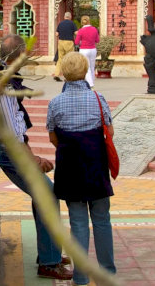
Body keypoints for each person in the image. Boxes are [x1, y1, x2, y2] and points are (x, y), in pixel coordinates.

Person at [0, 34, 73, 280]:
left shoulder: (3, 75)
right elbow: (11, 132)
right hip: (6, 149)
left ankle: (49, 253)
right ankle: (49, 262)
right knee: (47, 195)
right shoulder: (3, 82)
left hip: (9, 147)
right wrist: (33, 160)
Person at [46, 52, 116, 286]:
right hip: (95, 165)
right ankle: (107, 272)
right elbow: (109, 131)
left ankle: (81, 276)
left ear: (64, 73)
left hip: (69, 167)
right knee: (102, 218)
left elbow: (53, 137)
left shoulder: (56, 103)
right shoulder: (98, 98)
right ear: (86, 71)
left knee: (77, 222)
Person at [74, 15, 100, 88]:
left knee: (86, 68)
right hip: (92, 49)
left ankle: (90, 85)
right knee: (92, 67)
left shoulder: (81, 30)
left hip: (84, 50)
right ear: (89, 21)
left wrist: (81, 40)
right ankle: (92, 82)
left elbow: (76, 42)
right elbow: (97, 40)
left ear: (82, 22)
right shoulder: (94, 29)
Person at [54, 12, 77, 81]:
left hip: (61, 42)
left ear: (64, 17)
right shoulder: (72, 23)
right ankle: (67, 76)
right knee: (69, 59)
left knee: (60, 59)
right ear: (70, 17)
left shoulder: (60, 23)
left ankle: (56, 74)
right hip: (69, 42)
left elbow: (56, 34)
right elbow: (76, 33)